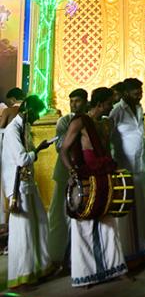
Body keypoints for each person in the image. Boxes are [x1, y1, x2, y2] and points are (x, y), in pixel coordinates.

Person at [60, 87, 127, 287]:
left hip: (103, 178)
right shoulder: (80, 122)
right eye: (108, 104)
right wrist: (73, 174)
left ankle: (115, 269)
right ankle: (85, 276)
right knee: (84, 228)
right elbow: (64, 150)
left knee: (109, 226)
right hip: (86, 179)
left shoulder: (103, 124)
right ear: (99, 104)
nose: (111, 107)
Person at [1, 95, 53, 288]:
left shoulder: (23, 128)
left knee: (39, 225)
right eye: (36, 114)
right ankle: (21, 278)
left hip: (27, 185)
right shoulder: (13, 130)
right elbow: (22, 159)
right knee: (22, 233)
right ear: (27, 111)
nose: (37, 118)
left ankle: (38, 269)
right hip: (18, 188)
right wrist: (37, 151)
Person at [110, 77, 145, 262]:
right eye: (136, 93)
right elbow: (110, 138)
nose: (140, 96)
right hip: (126, 168)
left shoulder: (139, 108)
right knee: (128, 212)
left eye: (141, 92)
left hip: (142, 166)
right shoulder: (116, 111)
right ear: (126, 93)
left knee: (144, 206)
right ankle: (128, 251)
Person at [48, 88, 88, 266]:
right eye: (71, 101)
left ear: (86, 102)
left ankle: (77, 257)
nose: (74, 104)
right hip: (64, 173)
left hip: (84, 172)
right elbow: (59, 146)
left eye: (77, 101)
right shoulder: (64, 121)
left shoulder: (89, 121)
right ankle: (57, 256)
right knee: (59, 214)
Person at [0, 88, 25, 235]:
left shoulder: (9, 110)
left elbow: (1, 126)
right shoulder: (25, 111)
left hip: (5, 147)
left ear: (12, 99)